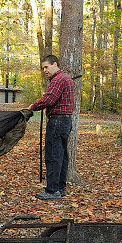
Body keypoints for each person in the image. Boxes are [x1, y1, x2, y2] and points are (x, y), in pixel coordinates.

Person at [28, 54, 75, 200]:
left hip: (57, 122)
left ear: (55, 64)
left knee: (53, 156)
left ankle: (52, 190)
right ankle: (60, 188)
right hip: (65, 122)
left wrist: (32, 107)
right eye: (43, 68)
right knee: (62, 156)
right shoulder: (65, 78)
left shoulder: (58, 79)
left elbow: (50, 99)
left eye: (46, 67)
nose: (44, 70)